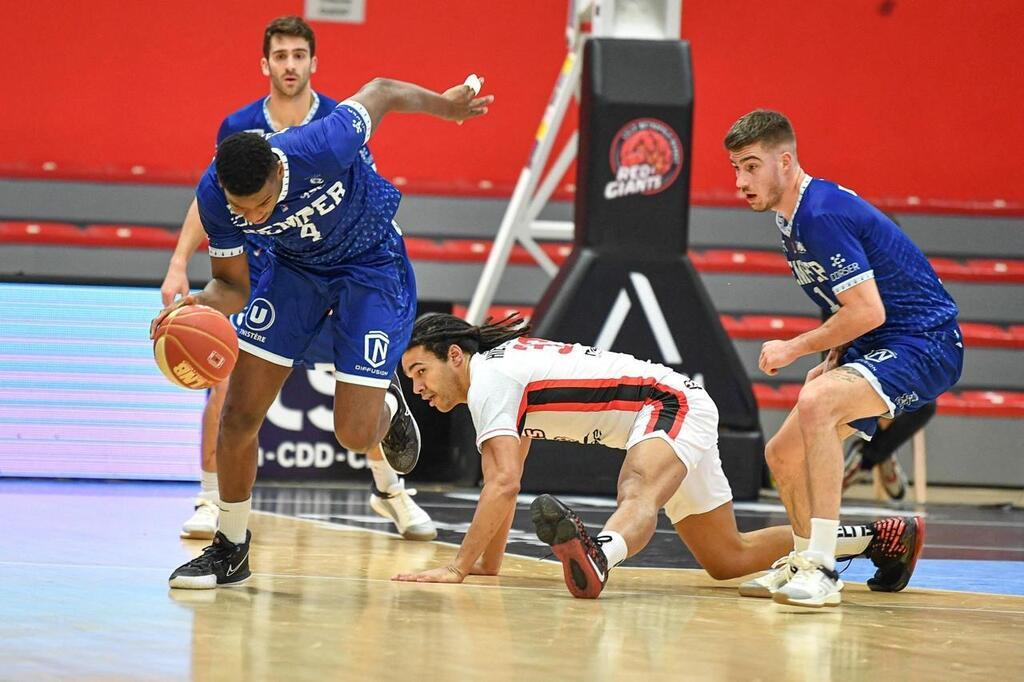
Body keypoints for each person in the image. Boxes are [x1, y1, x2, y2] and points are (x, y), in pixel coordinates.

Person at [152, 74, 493, 589]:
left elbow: (383, 90)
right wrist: (193, 306)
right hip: (293, 271)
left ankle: (389, 406)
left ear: (277, 170)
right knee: (239, 412)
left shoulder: (323, 142)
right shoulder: (216, 199)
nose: (253, 215)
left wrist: (447, 110)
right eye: (243, 210)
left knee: (356, 434)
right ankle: (231, 547)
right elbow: (233, 288)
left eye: (262, 204)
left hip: (370, 262)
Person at [391, 313, 922, 602]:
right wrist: (484, 563)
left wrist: (457, 569)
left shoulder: (489, 382)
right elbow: (507, 479)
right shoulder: (499, 376)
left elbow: (502, 483)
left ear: (455, 355)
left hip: (666, 402)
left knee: (637, 489)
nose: (417, 388)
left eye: (420, 371)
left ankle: (600, 551)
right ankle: (882, 538)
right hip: (672, 405)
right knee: (728, 559)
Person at [161, 16, 434, 545]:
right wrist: (180, 263)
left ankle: (390, 488)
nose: (289, 64)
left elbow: (368, 163)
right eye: (280, 56)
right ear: (265, 64)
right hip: (277, 265)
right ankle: (212, 498)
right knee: (230, 380)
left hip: (350, 258)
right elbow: (212, 199)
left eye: (298, 55)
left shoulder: (332, 124)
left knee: (362, 399)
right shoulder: (237, 127)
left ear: (312, 61)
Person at [724, 109, 961, 607]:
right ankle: (802, 555)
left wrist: (794, 347)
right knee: (781, 455)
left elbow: (868, 310)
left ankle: (823, 568)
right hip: (883, 341)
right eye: (735, 168)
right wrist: (834, 353)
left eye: (750, 166)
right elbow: (841, 300)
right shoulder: (791, 218)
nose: (740, 180)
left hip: (925, 342)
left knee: (815, 402)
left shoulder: (820, 214)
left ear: (785, 163)